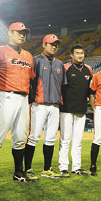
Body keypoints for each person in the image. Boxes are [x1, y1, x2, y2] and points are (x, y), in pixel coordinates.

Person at [0, 22, 35, 187]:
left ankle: (18, 173)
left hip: (23, 97)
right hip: (5, 95)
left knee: (20, 137)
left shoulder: (28, 55)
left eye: (24, 33)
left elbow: (31, 78)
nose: (22, 35)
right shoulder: (0, 50)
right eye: (19, 32)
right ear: (10, 33)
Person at [24, 34, 67, 179]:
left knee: (50, 138)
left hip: (54, 105)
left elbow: (62, 85)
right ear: (44, 44)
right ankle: (27, 169)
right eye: (51, 44)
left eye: (56, 44)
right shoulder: (35, 61)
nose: (54, 46)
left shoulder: (60, 64)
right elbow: (29, 83)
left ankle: (47, 169)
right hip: (38, 104)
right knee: (33, 137)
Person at [58, 44, 93, 176]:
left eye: (82, 53)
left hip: (81, 109)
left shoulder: (89, 70)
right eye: (77, 53)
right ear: (71, 55)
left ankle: (76, 167)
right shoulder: (65, 67)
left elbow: (90, 91)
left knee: (78, 140)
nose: (80, 55)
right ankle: (63, 167)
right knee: (65, 139)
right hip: (66, 109)